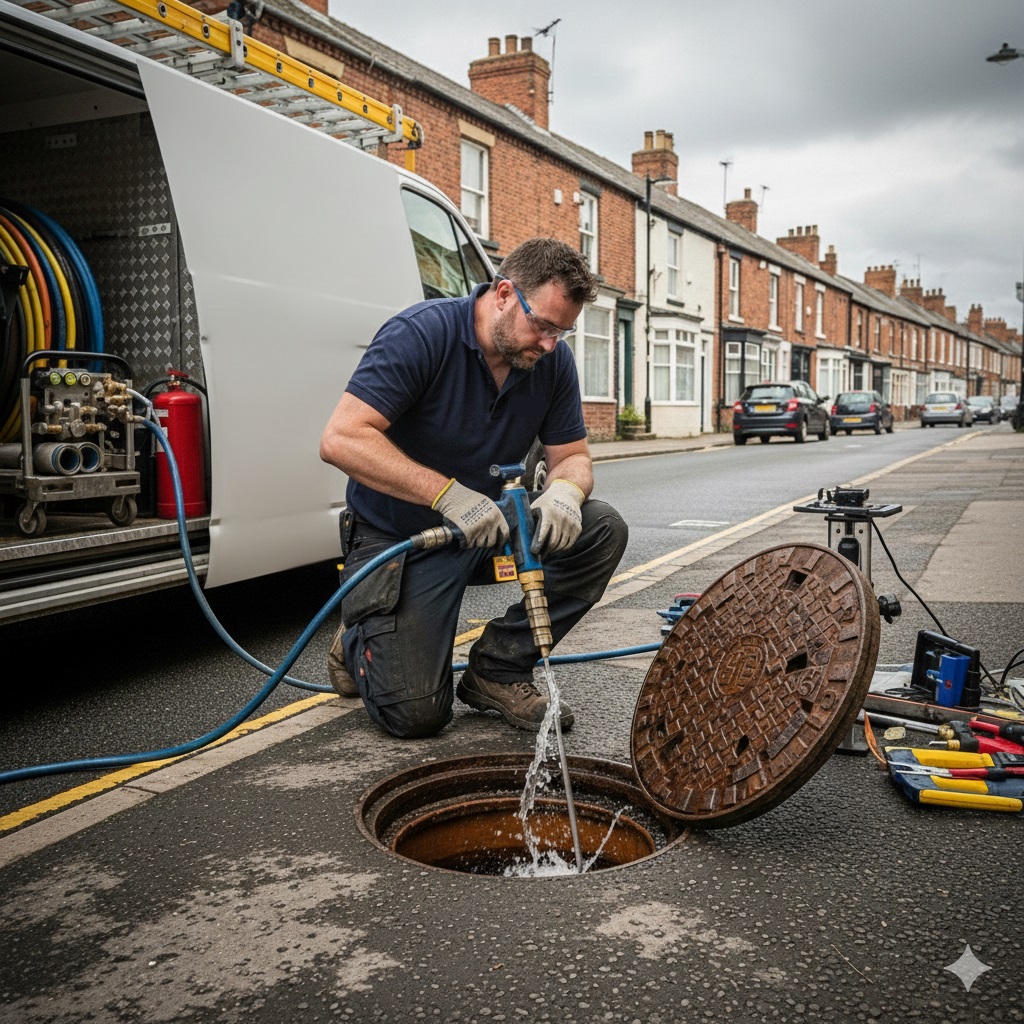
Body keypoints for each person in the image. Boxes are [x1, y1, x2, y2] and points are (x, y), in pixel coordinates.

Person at [319, 237, 628, 739]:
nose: (551, 343)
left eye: (563, 332)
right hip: (401, 537)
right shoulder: (421, 334)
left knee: (602, 529)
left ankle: (498, 669)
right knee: (415, 715)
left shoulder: (550, 362)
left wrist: (566, 493)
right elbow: (341, 438)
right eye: (544, 325)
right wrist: (446, 495)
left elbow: (571, 457)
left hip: (487, 525)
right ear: (504, 293)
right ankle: (361, 636)